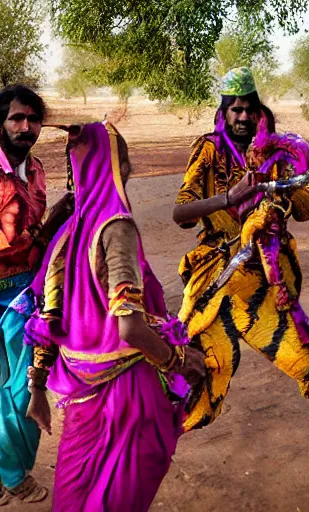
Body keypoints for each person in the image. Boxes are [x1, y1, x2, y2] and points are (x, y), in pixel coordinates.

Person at [173, 67, 309, 445]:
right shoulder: (208, 149)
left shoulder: (276, 151)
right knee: (197, 363)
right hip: (215, 280)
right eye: (235, 109)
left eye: (249, 108)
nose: (244, 116)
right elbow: (181, 212)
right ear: (224, 112)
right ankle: (146, 435)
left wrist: (282, 190)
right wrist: (229, 198)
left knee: (297, 356)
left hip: (264, 281)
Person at [24, 122, 204, 511]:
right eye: (125, 158)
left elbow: (48, 315)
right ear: (115, 163)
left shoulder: (71, 228)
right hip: (127, 394)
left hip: (81, 396)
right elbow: (130, 326)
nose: (131, 167)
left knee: (74, 496)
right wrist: (178, 362)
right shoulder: (116, 226)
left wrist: (38, 387)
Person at [0, 85, 70, 505]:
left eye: (32, 119)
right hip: (10, 292)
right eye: (15, 118)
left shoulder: (38, 170)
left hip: (24, 287)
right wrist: (51, 224)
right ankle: (12, 473)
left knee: (15, 385)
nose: (25, 127)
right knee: (23, 386)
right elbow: (9, 241)